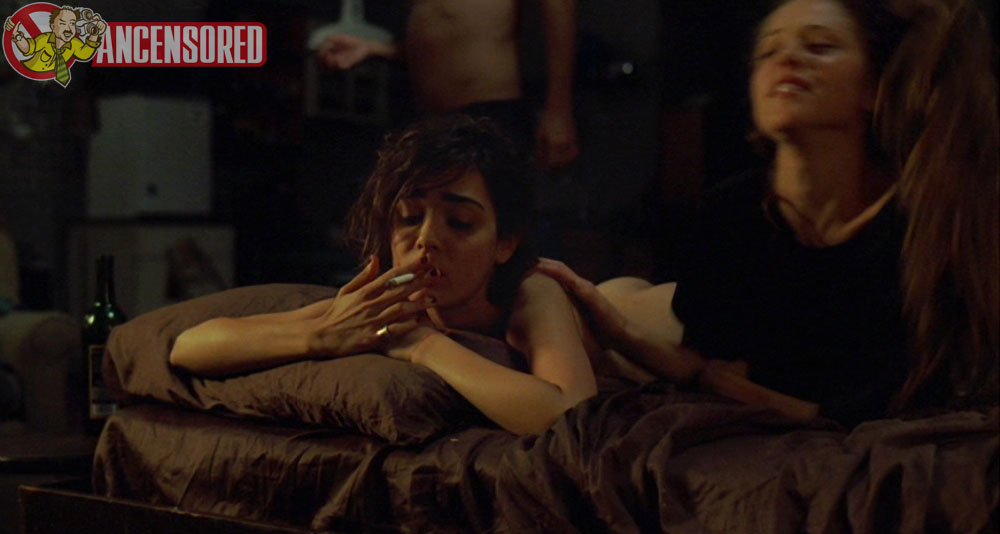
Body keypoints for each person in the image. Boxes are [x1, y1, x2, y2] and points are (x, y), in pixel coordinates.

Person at [538, 0, 998, 426]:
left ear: (873, 89)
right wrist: (621, 331)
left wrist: (712, 378)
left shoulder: (923, 222)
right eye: (768, 51)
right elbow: (712, 364)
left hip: (827, 395)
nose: (789, 58)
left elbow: (859, 409)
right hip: (736, 347)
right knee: (594, 303)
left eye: (819, 46)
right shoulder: (734, 209)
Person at [169, 115, 596, 435]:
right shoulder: (392, 301)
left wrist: (423, 345)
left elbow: (568, 416)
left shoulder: (531, 291)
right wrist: (322, 336)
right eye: (409, 218)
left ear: (505, 243)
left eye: (460, 223)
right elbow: (190, 347)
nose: (426, 239)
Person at [315, 0, 579, 171]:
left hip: (488, 114)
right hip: (425, 120)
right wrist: (376, 49)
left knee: (487, 231)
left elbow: (559, 5)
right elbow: (443, 27)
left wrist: (559, 109)